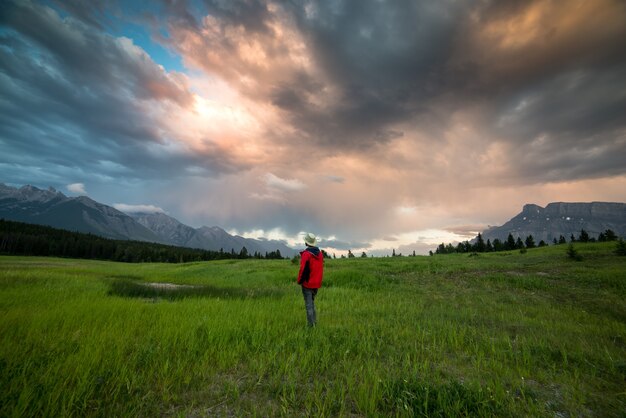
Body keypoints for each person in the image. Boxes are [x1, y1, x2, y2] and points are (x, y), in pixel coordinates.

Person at [297, 232, 324, 327]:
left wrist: (299, 281)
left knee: (309, 306)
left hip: (307, 284)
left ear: (306, 242)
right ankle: (314, 323)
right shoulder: (320, 254)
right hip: (316, 283)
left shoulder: (306, 254)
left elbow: (303, 270)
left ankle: (311, 327)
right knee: (312, 304)